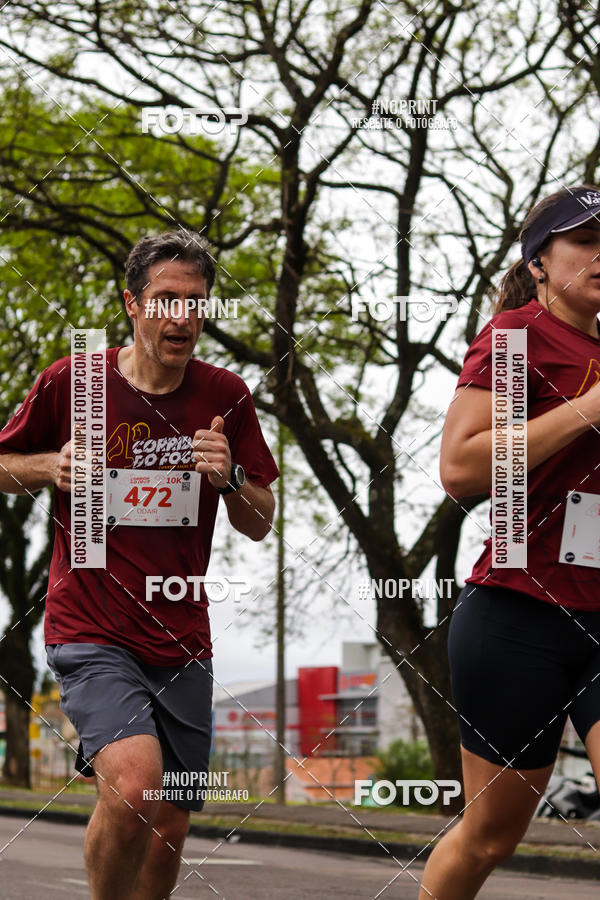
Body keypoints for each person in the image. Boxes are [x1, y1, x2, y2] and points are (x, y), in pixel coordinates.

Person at [0, 231, 279, 900]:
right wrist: (50, 465)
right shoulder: (73, 382)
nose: (181, 317)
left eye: (195, 302)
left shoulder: (226, 394)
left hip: (181, 636)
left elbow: (260, 520)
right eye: (165, 300)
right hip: (91, 624)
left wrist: (233, 477)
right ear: (132, 304)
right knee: (134, 788)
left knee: (170, 821)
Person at [421, 185, 600, 899]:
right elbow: (461, 467)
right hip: (520, 614)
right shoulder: (516, 336)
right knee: (490, 836)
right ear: (538, 262)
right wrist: (588, 409)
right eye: (585, 241)